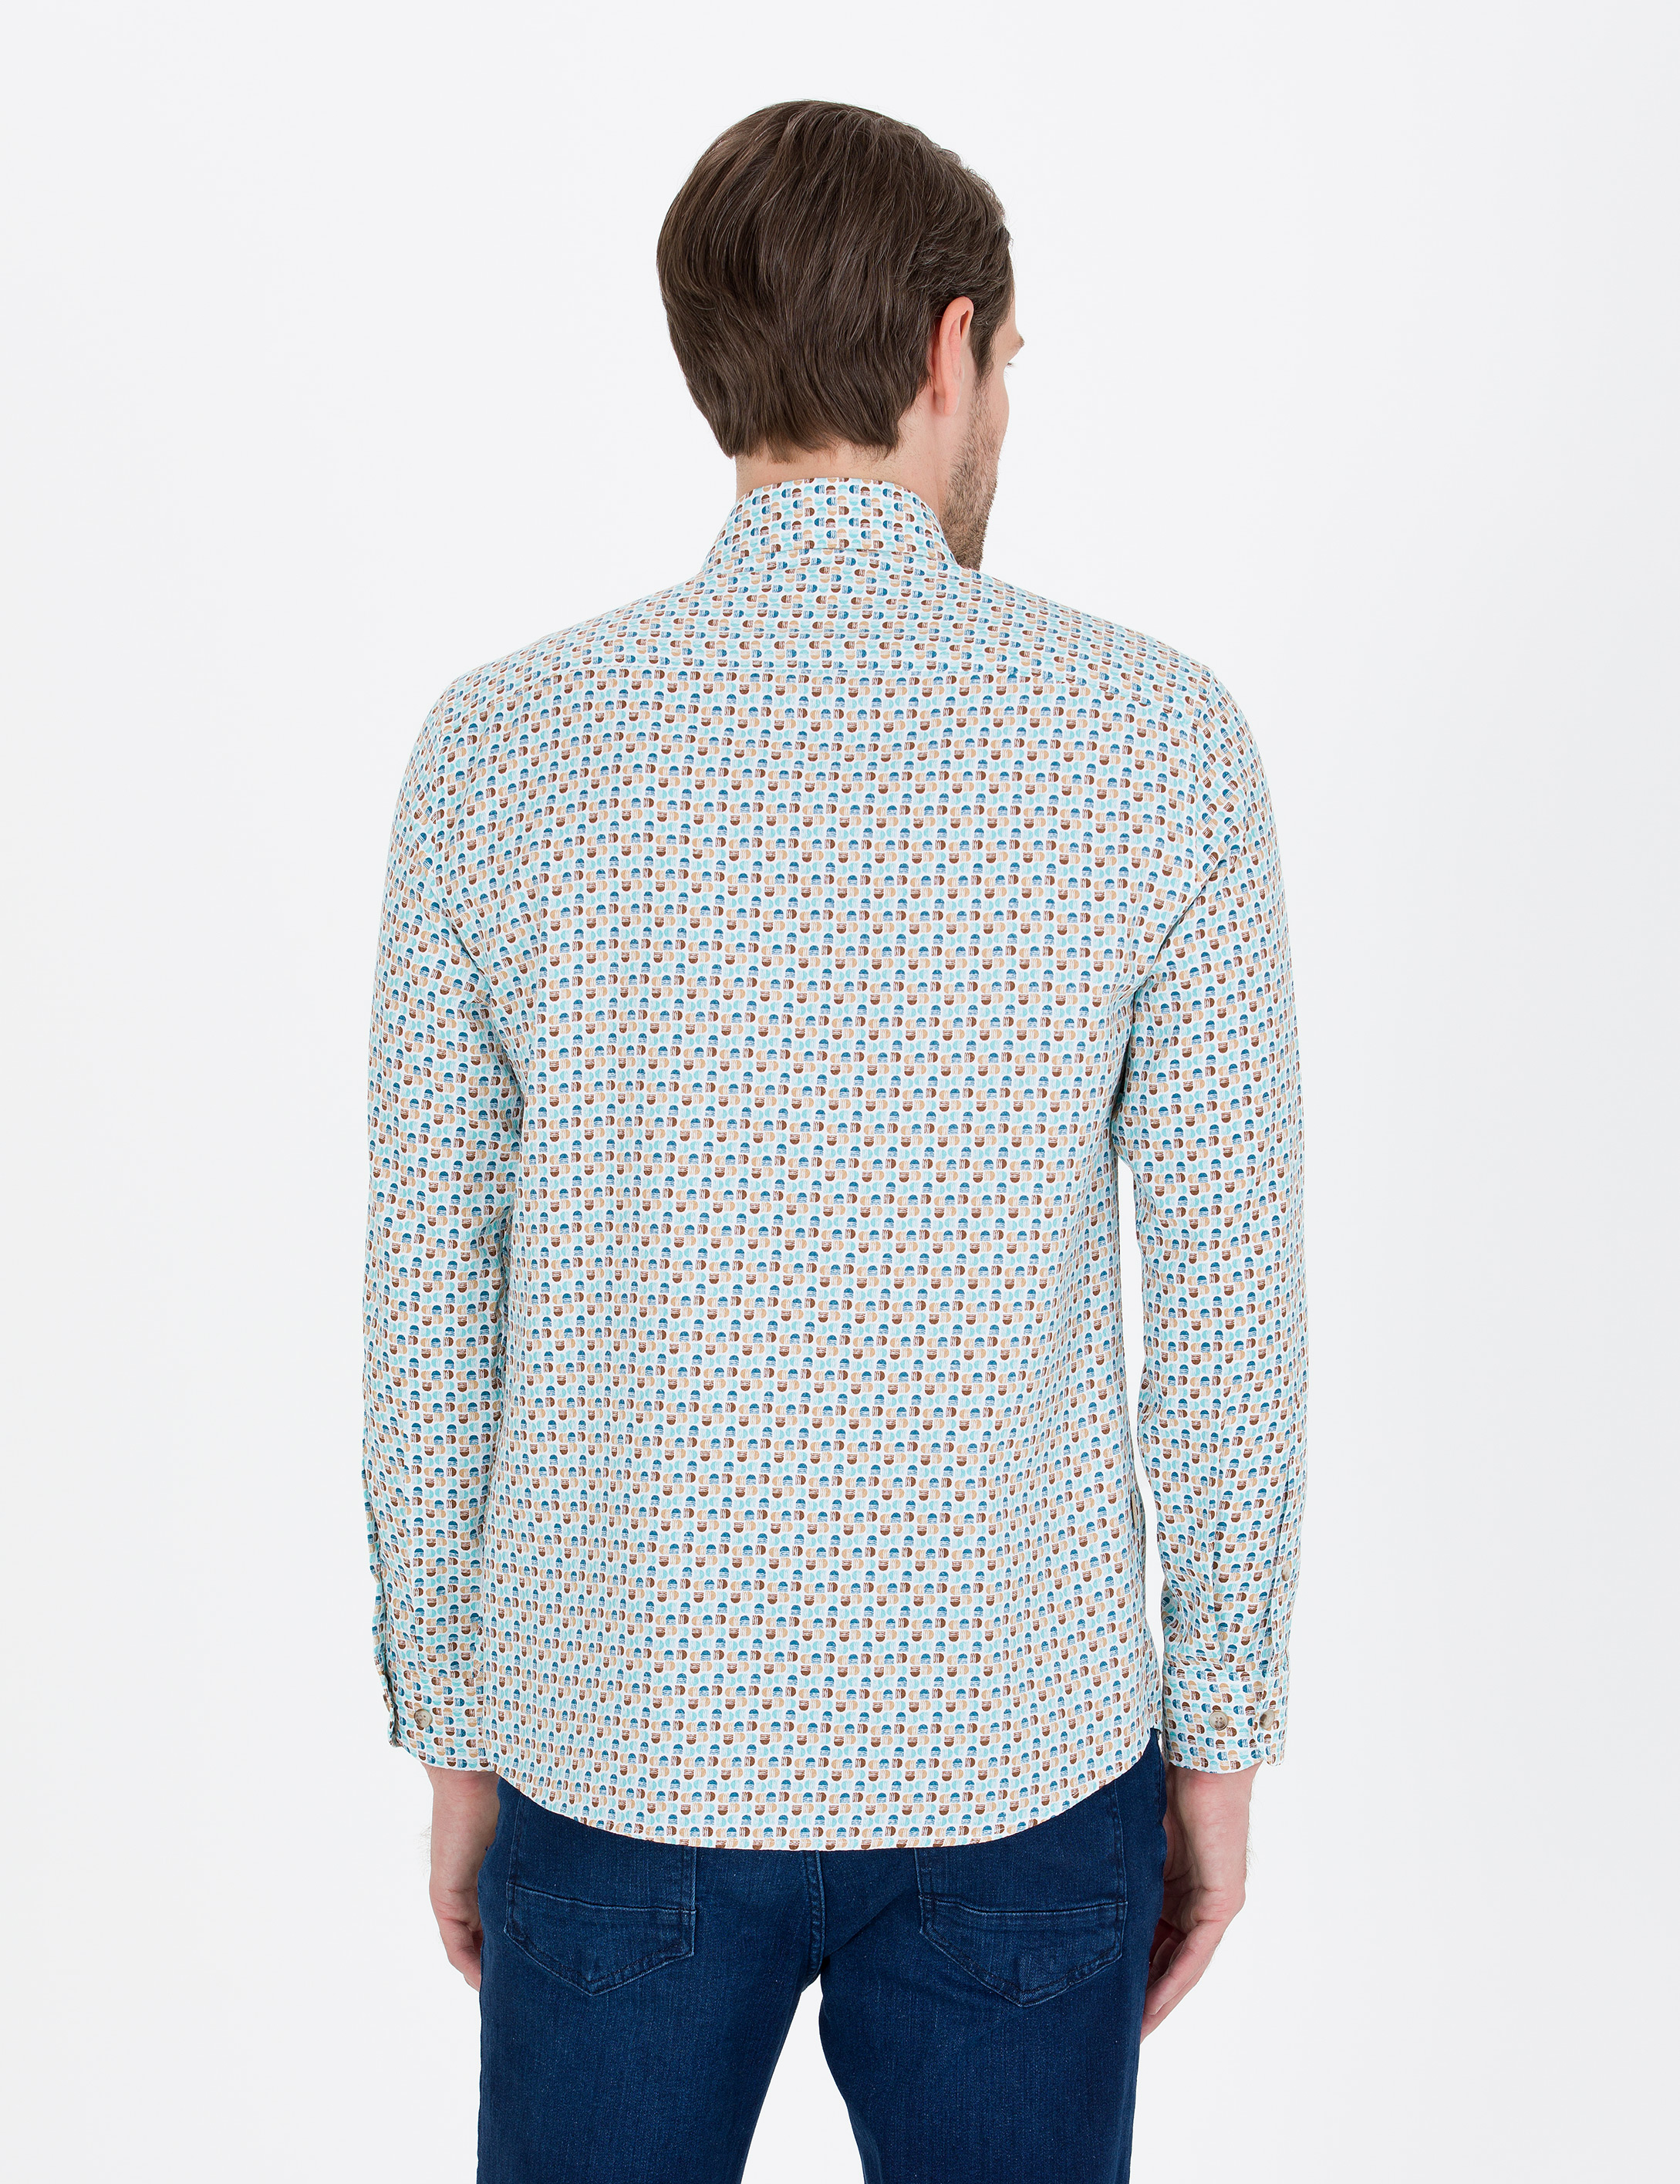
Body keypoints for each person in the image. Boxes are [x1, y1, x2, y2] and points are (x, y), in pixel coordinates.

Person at [363, 97, 1307, 2184]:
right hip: (1020, 1757)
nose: (1002, 408)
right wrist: (1220, 1742)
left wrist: (452, 1730)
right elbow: (1224, 1301)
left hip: (609, 1743)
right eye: (1009, 366)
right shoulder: (1159, 743)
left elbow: (431, 1293)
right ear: (951, 347)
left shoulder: (497, 752)